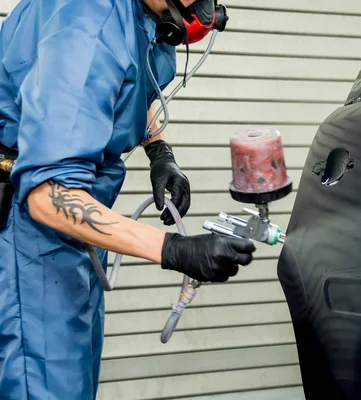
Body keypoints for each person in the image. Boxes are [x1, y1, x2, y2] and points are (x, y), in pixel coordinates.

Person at [0, 0, 256, 399]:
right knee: (45, 382)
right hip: (30, 235)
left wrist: (160, 152)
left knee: (75, 373)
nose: (202, 8)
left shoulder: (148, 14)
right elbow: (48, 196)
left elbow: (136, 81)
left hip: (76, 233)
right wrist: (171, 249)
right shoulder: (86, 24)